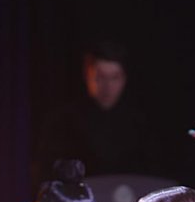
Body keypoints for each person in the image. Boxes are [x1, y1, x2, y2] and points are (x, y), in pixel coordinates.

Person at [34, 40, 150, 185]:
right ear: (87, 75)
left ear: (125, 78)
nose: (107, 86)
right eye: (100, 77)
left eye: (115, 77)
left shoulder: (140, 124)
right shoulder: (63, 123)